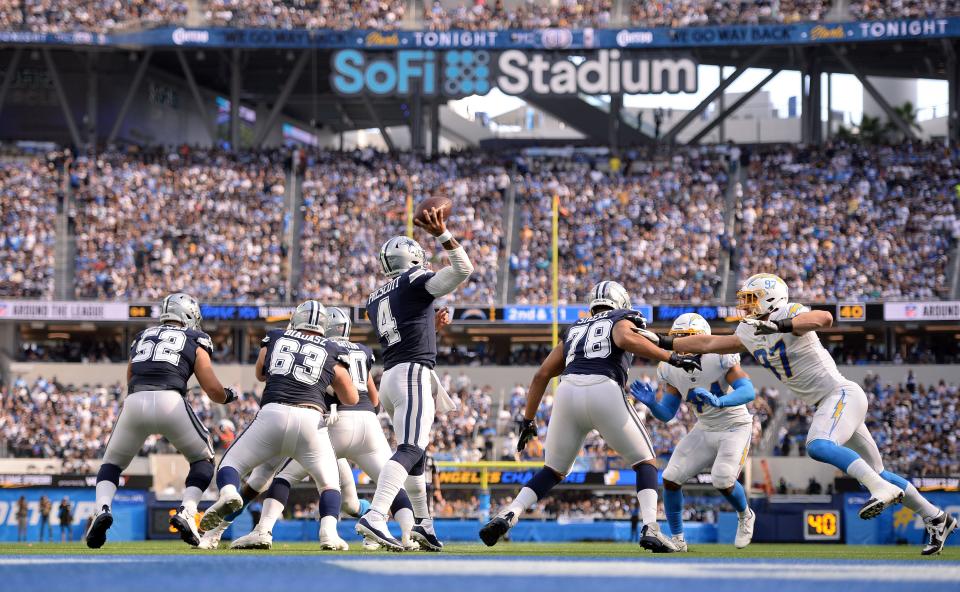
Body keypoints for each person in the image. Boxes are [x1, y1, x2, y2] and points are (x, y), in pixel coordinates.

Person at [642, 273, 957, 556]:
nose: (746, 307)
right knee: (879, 471)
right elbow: (711, 341)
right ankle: (936, 517)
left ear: (772, 299)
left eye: (752, 300)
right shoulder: (749, 330)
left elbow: (824, 319)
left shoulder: (789, 312)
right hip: (828, 403)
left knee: (818, 444)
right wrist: (665, 341)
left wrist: (780, 325)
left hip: (840, 394)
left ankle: (879, 489)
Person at [479, 280, 701, 552]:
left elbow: (541, 375)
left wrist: (528, 420)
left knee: (553, 470)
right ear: (620, 302)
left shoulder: (575, 328)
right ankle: (650, 526)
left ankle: (509, 513)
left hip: (567, 391)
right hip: (604, 387)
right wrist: (671, 357)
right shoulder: (623, 317)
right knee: (645, 462)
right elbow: (624, 338)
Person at [228, 306, 418, 551]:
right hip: (369, 423)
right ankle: (407, 535)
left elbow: (326, 387)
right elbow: (374, 399)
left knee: (285, 476)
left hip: (335, 423)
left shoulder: (327, 350)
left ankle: (263, 529)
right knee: (389, 482)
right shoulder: (362, 350)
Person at [357, 206, 474, 552]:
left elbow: (405, 327)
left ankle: (423, 524)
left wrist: (430, 327)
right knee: (409, 449)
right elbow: (463, 269)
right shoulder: (415, 281)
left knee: (418, 454)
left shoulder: (375, 297)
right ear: (414, 257)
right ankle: (376, 514)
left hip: (392, 375)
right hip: (411, 374)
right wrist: (442, 233)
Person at [199, 301, 358, 551]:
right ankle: (328, 533)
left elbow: (260, 373)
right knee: (329, 484)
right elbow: (352, 397)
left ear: (295, 319)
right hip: (311, 421)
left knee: (233, 467)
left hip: (273, 415)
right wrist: (330, 392)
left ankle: (222, 517)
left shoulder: (276, 336)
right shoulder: (332, 348)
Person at [86, 293, 239, 549]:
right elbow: (212, 388)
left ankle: (101, 509)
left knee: (111, 463)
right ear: (190, 315)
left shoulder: (142, 337)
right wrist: (228, 396)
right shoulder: (195, 338)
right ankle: (187, 511)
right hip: (171, 401)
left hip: (135, 401)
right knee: (203, 459)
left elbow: (130, 375)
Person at [630, 313, 757, 551]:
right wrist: (652, 404)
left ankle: (745, 515)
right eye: (679, 338)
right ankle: (678, 539)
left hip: (735, 425)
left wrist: (721, 402)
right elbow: (668, 414)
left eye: (689, 338)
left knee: (722, 478)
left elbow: (748, 391)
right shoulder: (669, 366)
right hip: (705, 427)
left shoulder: (719, 357)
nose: (684, 345)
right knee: (670, 477)